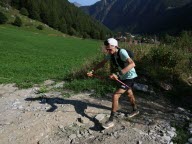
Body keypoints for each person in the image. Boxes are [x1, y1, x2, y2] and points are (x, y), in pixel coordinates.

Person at [87, 38, 139, 129]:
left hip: (130, 77)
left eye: (110, 49)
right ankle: (135, 110)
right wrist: (92, 70)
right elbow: (102, 63)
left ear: (115, 46)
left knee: (115, 96)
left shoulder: (122, 52)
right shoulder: (111, 54)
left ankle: (111, 120)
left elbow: (132, 64)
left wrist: (118, 74)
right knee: (129, 93)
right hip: (123, 77)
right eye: (107, 49)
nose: (108, 51)